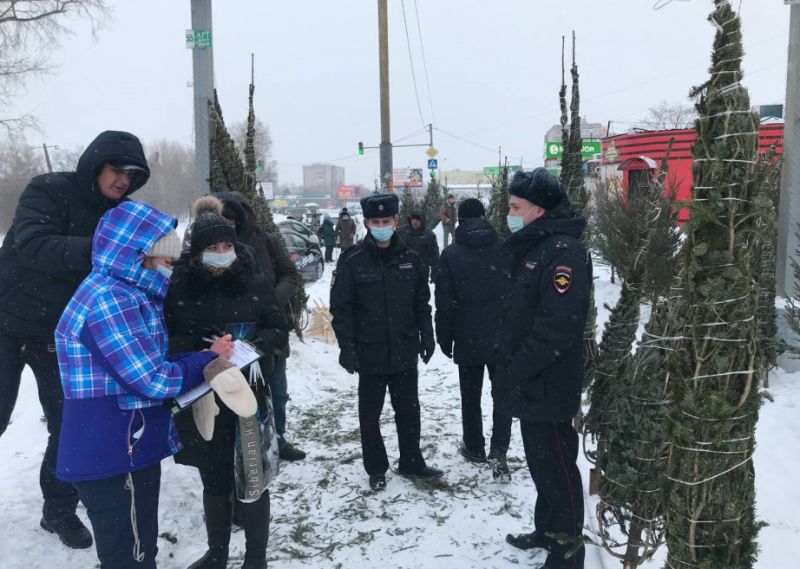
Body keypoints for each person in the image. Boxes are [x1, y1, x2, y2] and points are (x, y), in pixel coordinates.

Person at [54, 201, 239, 569]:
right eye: (165, 259)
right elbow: (152, 381)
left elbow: (143, 362)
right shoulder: (110, 300)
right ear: (138, 255)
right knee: (132, 556)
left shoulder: (120, 291)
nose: (170, 267)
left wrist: (199, 356)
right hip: (114, 450)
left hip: (117, 444)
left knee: (133, 551)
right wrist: (206, 360)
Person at [0, 131, 150, 549]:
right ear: (96, 164)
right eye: (117, 170)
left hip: (60, 335)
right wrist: (109, 248)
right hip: (6, 322)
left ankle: (59, 510)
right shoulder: (48, 189)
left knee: (68, 425)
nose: (123, 180)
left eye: (132, 175)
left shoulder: (123, 214)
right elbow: (34, 245)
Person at [165, 197, 290, 569]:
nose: (222, 254)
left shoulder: (253, 282)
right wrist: (200, 346)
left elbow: (278, 327)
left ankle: (256, 558)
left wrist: (253, 345)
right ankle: (217, 552)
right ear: (197, 253)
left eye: (227, 246)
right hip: (203, 396)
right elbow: (167, 340)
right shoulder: (180, 289)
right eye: (213, 248)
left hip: (249, 393)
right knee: (214, 478)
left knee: (253, 478)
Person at [497, 169, 591, 569]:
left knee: (558, 469)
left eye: (515, 207)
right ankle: (547, 530)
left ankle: (568, 551)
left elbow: (558, 326)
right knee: (542, 466)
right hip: (531, 379)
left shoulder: (564, 252)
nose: (509, 214)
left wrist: (519, 366)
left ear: (539, 210)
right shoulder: (538, 246)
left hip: (549, 380)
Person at [330, 193, 444, 492]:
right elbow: (341, 309)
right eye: (375, 221)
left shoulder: (411, 258)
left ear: (395, 220)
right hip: (369, 351)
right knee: (370, 415)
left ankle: (411, 460)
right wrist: (347, 347)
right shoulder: (352, 260)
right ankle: (376, 466)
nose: (381, 226)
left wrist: (427, 335)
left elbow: (422, 303)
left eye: (386, 221)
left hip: (404, 349)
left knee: (409, 411)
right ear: (367, 223)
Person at [215, 192, 306, 462]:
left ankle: (278, 439)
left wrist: (270, 301)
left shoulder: (265, 241)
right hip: (232, 336)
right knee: (235, 392)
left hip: (271, 329)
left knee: (276, 390)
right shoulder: (213, 248)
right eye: (224, 218)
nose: (230, 223)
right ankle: (243, 445)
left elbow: (290, 274)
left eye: (234, 218)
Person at [434, 198, 513, 480]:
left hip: (467, 335)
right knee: (502, 395)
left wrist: (444, 337)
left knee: (470, 395)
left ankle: (474, 446)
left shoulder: (451, 254)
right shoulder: (505, 248)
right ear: (484, 216)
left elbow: (444, 302)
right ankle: (499, 450)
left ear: (461, 220)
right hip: (502, 335)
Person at [397, 210, 439, 283]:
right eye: (413, 219)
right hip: (404, 270)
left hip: (422, 271)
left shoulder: (429, 235)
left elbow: (435, 255)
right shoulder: (401, 232)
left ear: (422, 221)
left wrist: (435, 272)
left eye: (418, 219)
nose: (415, 222)